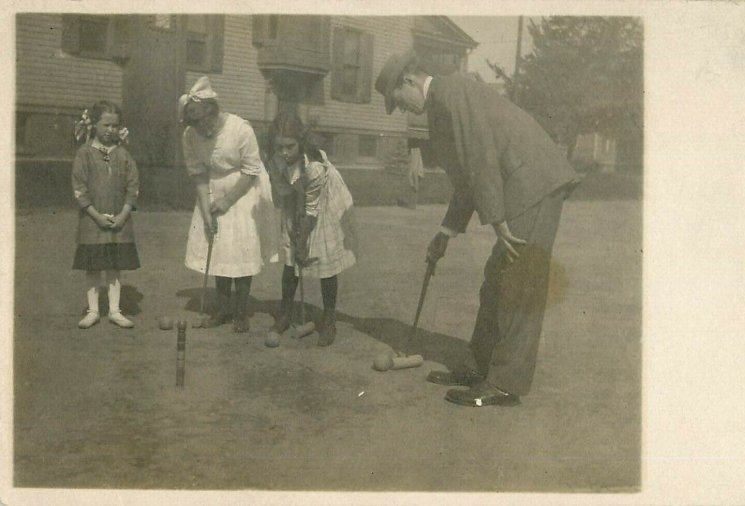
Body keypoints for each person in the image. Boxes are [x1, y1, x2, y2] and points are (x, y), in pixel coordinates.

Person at [375, 50, 580, 407]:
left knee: (518, 281)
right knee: (496, 279)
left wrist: (498, 221)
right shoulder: (440, 108)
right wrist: (445, 233)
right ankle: (477, 367)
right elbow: (468, 179)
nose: (403, 110)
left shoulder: (451, 93)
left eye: (399, 101)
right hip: (519, 183)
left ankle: (503, 384)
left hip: (533, 181)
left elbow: (482, 158)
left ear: (409, 81)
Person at [180, 76, 272, 333]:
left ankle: (240, 312)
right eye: (193, 123)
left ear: (212, 110)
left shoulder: (240, 129)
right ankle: (223, 309)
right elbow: (198, 174)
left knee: (241, 251)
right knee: (219, 250)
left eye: (201, 121)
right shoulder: (190, 135)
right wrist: (206, 208)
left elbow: (252, 170)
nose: (199, 128)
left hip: (243, 190)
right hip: (212, 188)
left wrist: (228, 200)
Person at [264, 112, 357, 347]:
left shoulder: (314, 166)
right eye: (279, 147)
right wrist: (294, 233)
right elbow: (284, 194)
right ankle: (284, 314)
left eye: (290, 146)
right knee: (290, 257)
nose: (284, 152)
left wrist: (303, 239)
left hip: (324, 202)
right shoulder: (276, 160)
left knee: (322, 260)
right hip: (295, 200)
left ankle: (329, 318)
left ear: (301, 143)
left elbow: (312, 209)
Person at [71, 101, 140, 329]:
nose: (111, 130)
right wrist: (96, 216)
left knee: (114, 266)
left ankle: (114, 310)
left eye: (115, 125)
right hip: (93, 222)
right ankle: (92, 310)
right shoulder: (84, 154)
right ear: (94, 124)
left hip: (119, 221)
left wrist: (123, 215)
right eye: (106, 124)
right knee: (94, 266)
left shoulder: (124, 155)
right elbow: (79, 188)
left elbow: (133, 186)